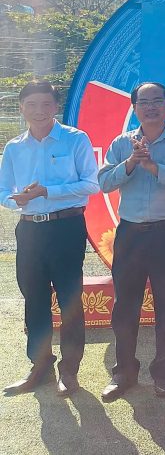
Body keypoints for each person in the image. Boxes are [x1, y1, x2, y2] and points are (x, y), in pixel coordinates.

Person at [97, 82, 165, 401]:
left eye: (157, 101)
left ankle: (163, 372)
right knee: (124, 308)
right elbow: (104, 182)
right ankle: (124, 372)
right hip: (130, 235)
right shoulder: (121, 143)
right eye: (144, 102)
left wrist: (154, 167)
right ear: (135, 108)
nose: (151, 107)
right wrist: (130, 163)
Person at [0, 79, 99, 396]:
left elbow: (91, 184)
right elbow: (3, 191)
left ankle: (69, 370)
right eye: (31, 104)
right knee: (34, 299)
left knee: (70, 299)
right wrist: (16, 200)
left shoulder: (75, 139)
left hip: (66, 228)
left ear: (56, 107)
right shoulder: (14, 147)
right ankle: (40, 366)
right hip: (29, 230)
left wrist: (48, 192)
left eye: (46, 104)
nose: (39, 111)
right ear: (21, 108)